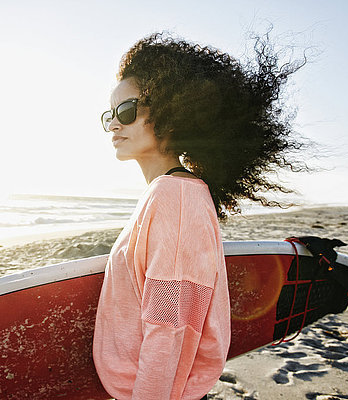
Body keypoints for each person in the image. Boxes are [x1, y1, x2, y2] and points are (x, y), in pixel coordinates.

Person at [92, 32, 307, 400]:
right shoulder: (173, 192)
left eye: (125, 112)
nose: (113, 125)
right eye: (107, 116)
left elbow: (171, 324)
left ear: (173, 111)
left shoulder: (175, 197)